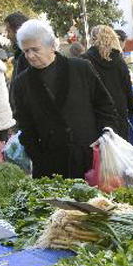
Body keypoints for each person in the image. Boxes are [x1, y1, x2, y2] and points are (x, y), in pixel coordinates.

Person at [12, 20, 119, 179]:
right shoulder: (22, 82)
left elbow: (105, 105)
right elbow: (24, 125)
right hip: (50, 164)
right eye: (25, 51)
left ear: (51, 46)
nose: (30, 56)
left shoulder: (80, 68)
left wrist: (106, 135)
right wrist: (37, 156)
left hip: (89, 158)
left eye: (35, 49)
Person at [81, 25, 133, 140]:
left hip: (95, 110)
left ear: (92, 39)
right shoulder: (119, 60)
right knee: (119, 148)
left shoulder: (84, 60)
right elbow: (127, 87)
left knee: (100, 149)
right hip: (118, 109)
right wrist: (132, 108)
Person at [4, 12, 30, 79]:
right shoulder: (22, 53)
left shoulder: (28, 55)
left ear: (18, 30)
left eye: (9, 31)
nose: (7, 36)